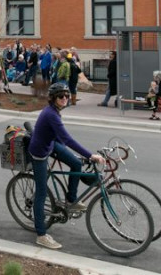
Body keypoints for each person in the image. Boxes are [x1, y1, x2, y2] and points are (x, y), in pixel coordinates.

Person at [29, 83, 104, 249]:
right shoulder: (51, 114)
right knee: (41, 192)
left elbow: (61, 138)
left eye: (66, 96)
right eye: (60, 96)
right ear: (53, 98)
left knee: (76, 163)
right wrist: (90, 155)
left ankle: (71, 200)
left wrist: (81, 156)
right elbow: (68, 140)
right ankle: (41, 235)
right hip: (39, 152)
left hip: (51, 144)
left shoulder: (55, 112)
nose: (64, 99)